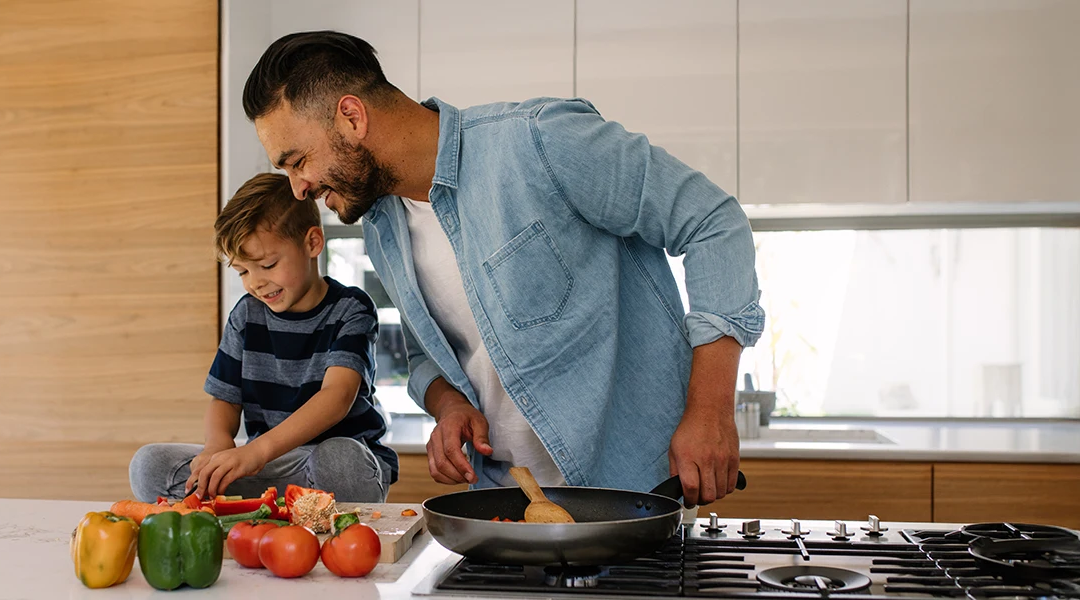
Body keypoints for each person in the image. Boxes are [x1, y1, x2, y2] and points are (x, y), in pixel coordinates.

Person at [240, 31, 763, 506]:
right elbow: (430, 351)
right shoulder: (382, 226)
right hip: (505, 504)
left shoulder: (539, 142)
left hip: (632, 494)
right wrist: (446, 405)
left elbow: (714, 222)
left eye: (296, 161)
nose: (297, 188)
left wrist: (711, 411)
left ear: (352, 118)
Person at [128, 173, 396, 503]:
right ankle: (266, 509)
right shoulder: (246, 314)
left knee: (341, 460)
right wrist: (217, 447)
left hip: (330, 465)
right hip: (270, 467)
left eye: (267, 265)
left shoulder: (351, 308)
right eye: (243, 271)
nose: (255, 283)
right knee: (149, 465)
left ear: (312, 243)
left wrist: (256, 451)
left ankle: (282, 509)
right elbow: (224, 400)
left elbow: (337, 397)